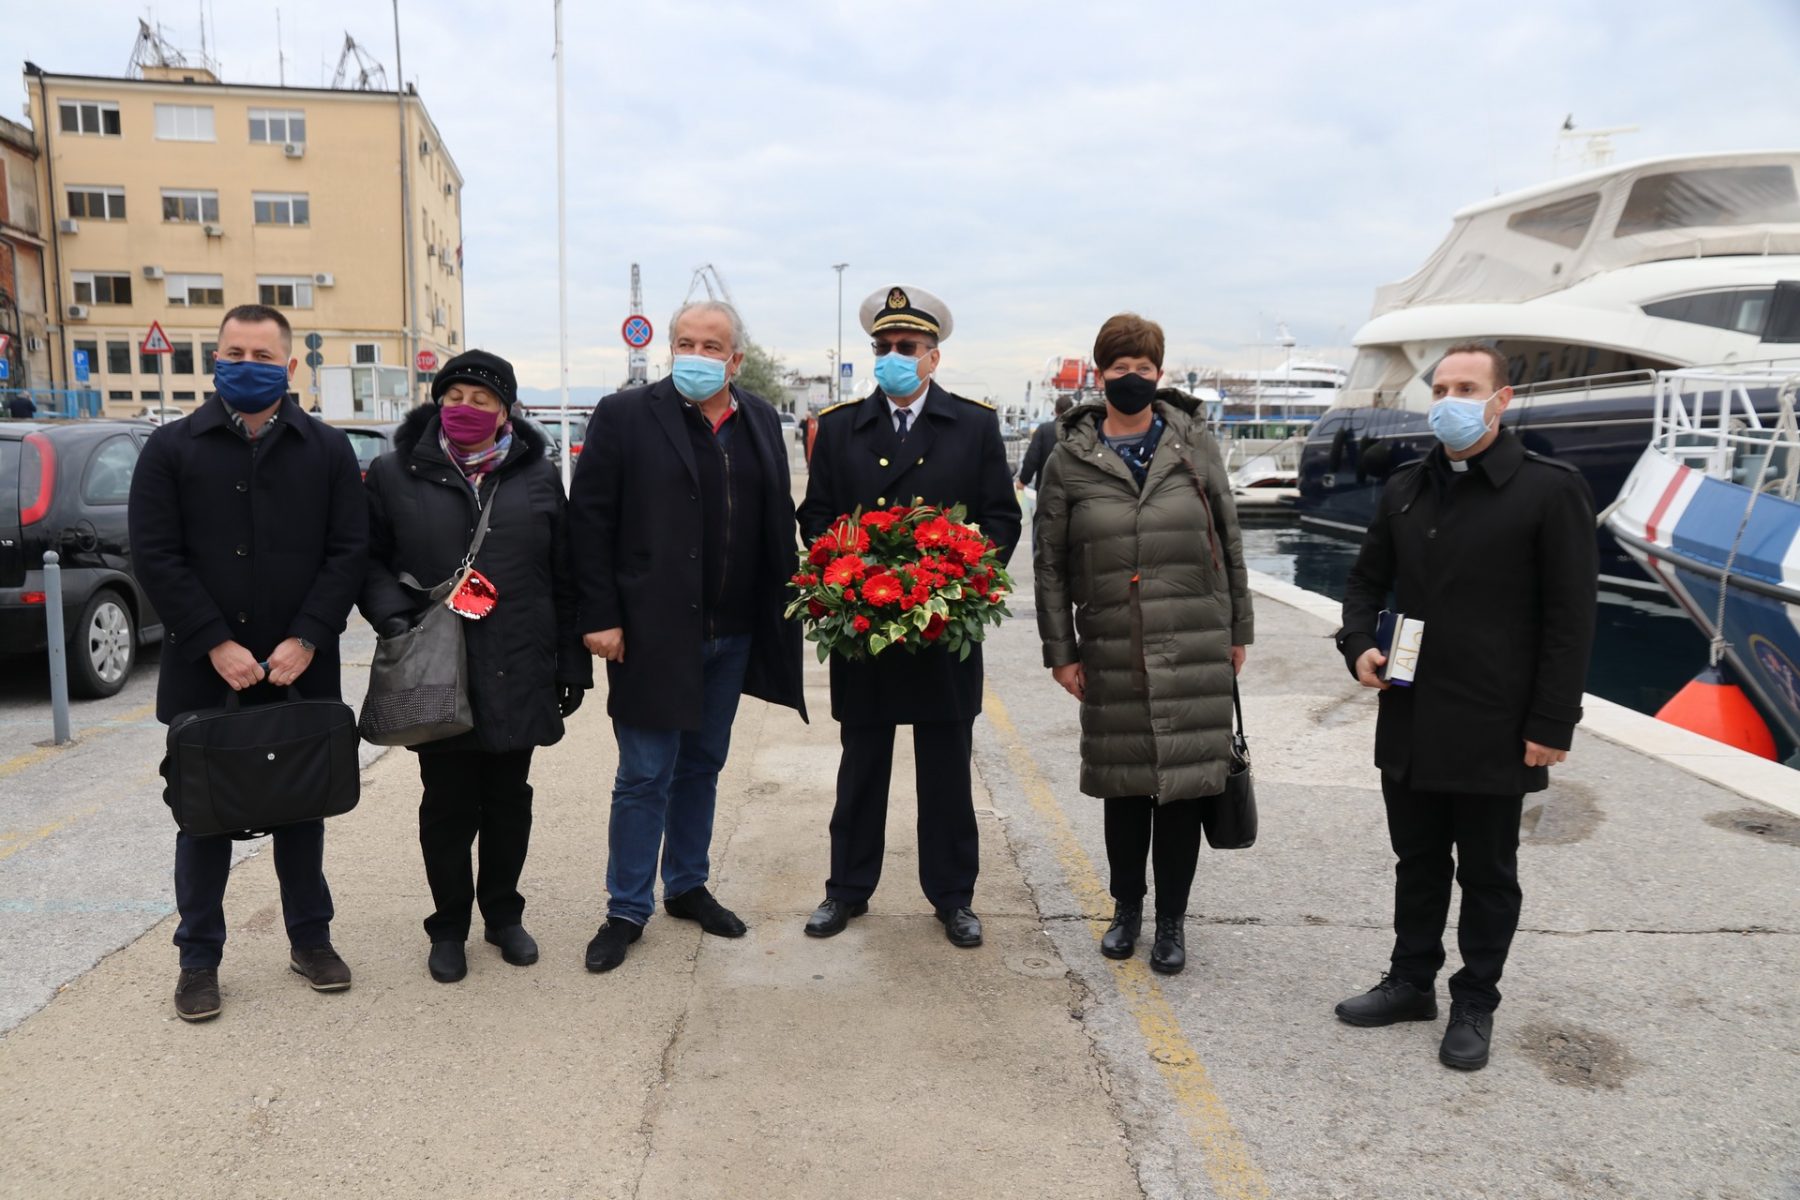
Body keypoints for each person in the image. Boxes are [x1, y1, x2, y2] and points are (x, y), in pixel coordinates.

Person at [1333, 341, 1597, 1071]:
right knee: (1417, 858)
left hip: (1495, 721)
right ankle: (1410, 981)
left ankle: (1475, 1000)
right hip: (1411, 713)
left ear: (1500, 400)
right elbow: (1365, 582)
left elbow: (1571, 619)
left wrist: (1553, 722)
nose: (1450, 400)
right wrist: (1358, 645)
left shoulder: (1550, 490)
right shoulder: (1407, 487)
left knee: (1487, 871)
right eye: (1441, 387)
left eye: (1467, 388)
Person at [128, 304, 367, 1022]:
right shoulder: (171, 448)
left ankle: (311, 940)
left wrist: (309, 637)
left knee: (301, 811)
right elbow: (156, 555)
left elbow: (348, 552)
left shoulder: (326, 449)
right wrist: (213, 641)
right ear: (215, 359)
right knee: (202, 819)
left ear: (288, 366)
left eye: (263, 356)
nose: (247, 365)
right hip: (205, 668)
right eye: (234, 352)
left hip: (300, 667)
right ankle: (198, 960)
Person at [568, 300, 806, 973]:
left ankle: (687, 885)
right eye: (686, 343)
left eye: (711, 346)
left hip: (733, 631)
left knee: (702, 765)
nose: (696, 355)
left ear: (735, 359)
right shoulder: (625, 415)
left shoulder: (759, 418)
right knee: (645, 773)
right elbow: (589, 521)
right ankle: (625, 908)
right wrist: (599, 615)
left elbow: (774, 516)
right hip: (651, 632)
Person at [796, 285, 1021, 949]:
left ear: (933, 356)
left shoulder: (973, 425)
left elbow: (1001, 516)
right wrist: (849, 568)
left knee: (947, 773)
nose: (893, 356)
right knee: (861, 769)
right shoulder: (841, 427)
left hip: (940, 631)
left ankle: (953, 897)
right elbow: (817, 514)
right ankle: (846, 890)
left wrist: (961, 576)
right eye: (884, 346)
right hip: (868, 630)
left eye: (907, 346)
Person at [359, 350, 592, 984]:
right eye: (455, 395)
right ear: (438, 401)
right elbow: (369, 560)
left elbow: (564, 573)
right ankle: (448, 927)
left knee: (509, 800)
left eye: (482, 398)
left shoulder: (537, 476)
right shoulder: (395, 473)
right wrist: (396, 620)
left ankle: (503, 916)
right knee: (448, 803)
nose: (466, 407)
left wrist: (571, 664)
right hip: (438, 664)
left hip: (520, 661)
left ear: (505, 410)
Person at [1033, 314, 1251, 974]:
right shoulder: (1068, 458)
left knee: (1182, 791)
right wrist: (1061, 651)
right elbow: (1049, 564)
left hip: (1193, 637)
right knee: (1125, 788)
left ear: (1160, 373)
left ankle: (1172, 921)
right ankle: (1126, 909)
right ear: (1100, 375)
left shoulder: (1194, 447)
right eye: (1119, 367)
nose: (1132, 377)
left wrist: (1239, 630)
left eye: (1144, 367)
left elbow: (1229, 538)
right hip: (1112, 644)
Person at [1016, 395, 1073, 491]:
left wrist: (1023, 481)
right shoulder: (1079, 431)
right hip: (1073, 489)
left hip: (1046, 488)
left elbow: (1032, 458)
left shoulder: (1043, 429)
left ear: (1055, 410)